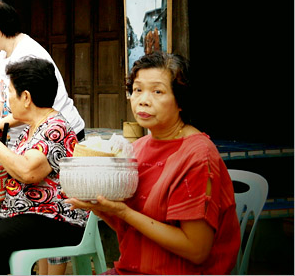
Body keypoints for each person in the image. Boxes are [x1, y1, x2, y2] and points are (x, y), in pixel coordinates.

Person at [68, 52, 240, 274]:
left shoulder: (197, 156)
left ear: (181, 101)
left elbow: (196, 250)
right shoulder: (137, 148)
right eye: (138, 89)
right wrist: (102, 210)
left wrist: (122, 212)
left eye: (157, 91)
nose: (143, 100)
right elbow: (134, 227)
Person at [0, 57, 87, 275]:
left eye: (9, 94)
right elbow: (11, 169)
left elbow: (28, 172)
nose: (6, 102)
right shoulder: (31, 128)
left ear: (26, 97)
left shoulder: (56, 127)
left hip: (53, 219)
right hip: (23, 214)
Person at [0, 0, 85, 151]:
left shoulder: (27, 55)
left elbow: (31, 107)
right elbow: (3, 101)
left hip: (58, 134)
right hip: (33, 136)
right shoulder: (4, 54)